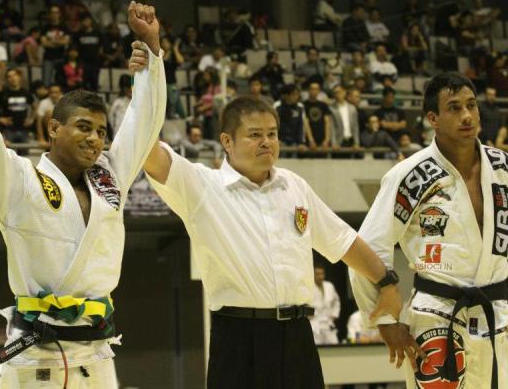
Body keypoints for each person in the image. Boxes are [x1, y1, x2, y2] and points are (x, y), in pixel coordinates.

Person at [132, 53, 404, 387]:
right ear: (227, 142)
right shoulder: (202, 186)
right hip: (237, 339)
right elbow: (146, 150)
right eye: (255, 134)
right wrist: (148, 78)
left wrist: (386, 283)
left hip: (297, 337)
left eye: (272, 134)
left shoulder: (294, 186)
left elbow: (343, 240)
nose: (266, 142)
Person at [0, 2, 165, 388]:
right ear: (53, 128)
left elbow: (144, 122)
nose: (95, 139)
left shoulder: (109, 179)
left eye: (100, 131)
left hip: (97, 353)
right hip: (35, 352)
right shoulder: (18, 181)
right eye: (83, 127)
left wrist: (151, 48)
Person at [350, 72, 508, 389]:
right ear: (433, 118)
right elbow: (368, 246)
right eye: (454, 108)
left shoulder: (503, 167)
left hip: (499, 313)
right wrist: (384, 320)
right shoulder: (410, 175)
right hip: (437, 316)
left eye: (471, 105)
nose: (466, 116)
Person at [310, 263, 341, 345]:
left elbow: (336, 301)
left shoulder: (329, 286)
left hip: (328, 323)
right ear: (312, 274)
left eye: (322, 274)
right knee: (317, 350)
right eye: (317, 274)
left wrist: (334, 314)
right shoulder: (309, 287)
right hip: (314, 324)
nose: (320, 276)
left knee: (335, 347)